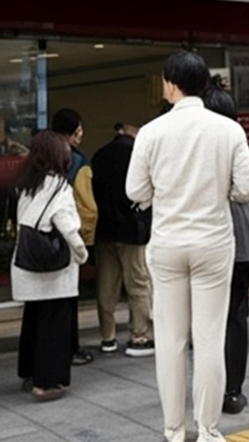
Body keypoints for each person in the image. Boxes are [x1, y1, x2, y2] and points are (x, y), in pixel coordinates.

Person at [126, 51, 249, 442]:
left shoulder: (151, 132)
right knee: (210, 337)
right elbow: (246, 189)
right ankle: (208, 429)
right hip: (213, 242)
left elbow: (135, 190)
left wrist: (160, 194)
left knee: (170, 339)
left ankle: (173, 429)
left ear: (170, 85)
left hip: (168, 243)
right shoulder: (229, 130)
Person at [201, 86, 249, 416]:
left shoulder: (194, 155)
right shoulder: (248, 154)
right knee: (236, 316)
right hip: (240, 242)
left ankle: (207, 387)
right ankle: (233, 391)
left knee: (205, 318)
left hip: (203, 241)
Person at [12, 130, 89, 402]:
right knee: (53, 326)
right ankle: (47, 383)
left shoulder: (26, 184)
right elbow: (67, 226)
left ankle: (30, 372)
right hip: (53, 271)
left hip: (27, 264)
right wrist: (82, 254)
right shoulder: (59, 187)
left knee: (33, 320)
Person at [91, 124, 155, 358]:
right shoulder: (137, 155)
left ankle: (107, 337)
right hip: (132, 230)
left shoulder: (99, 156)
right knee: (137, 283)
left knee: (106, 285)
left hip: (105, 229)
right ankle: (139, 336)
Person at [50, 108, 97, 367]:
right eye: (78, 131)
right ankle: (71, 348)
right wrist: (86, 241)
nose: (81, 135)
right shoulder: (78, 163)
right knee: (68, 299)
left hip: (43, 239)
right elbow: (88, 208)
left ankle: (50, 352)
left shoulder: (40, 161)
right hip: (69, 236)